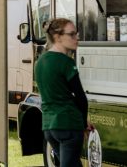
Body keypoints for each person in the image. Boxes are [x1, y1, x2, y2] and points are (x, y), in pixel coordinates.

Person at [34, 18, 93, 167]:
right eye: (72, 34)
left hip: (49, 127)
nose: (77, 38)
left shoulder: (40, 61)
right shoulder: (66, 62)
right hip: (68, 126)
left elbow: (55, 94)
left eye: (76, 34)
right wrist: (83, 123)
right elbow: (80, 97)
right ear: (58, 37)